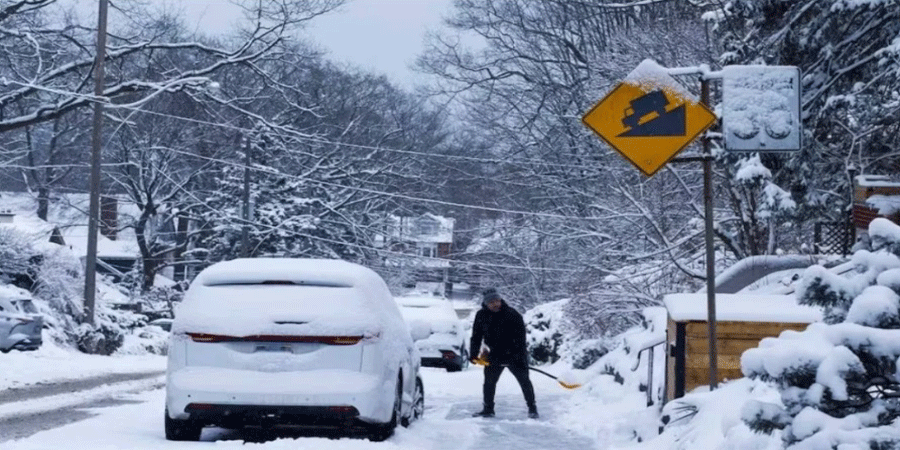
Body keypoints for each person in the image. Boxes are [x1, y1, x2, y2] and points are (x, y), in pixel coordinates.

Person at [469, 287, 538, 419]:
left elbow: (521, 339)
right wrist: (473, 354)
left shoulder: (513, 314)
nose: (495, 304)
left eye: (497, 301)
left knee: (524, 381)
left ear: (500, 300)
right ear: (486, 303)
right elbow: (476, 336)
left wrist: (516, 356)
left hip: (515, 355)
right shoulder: (481, 315)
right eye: (491, 302)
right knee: (489, 383)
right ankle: (488, 409)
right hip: (493, 355)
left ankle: (532, 408)